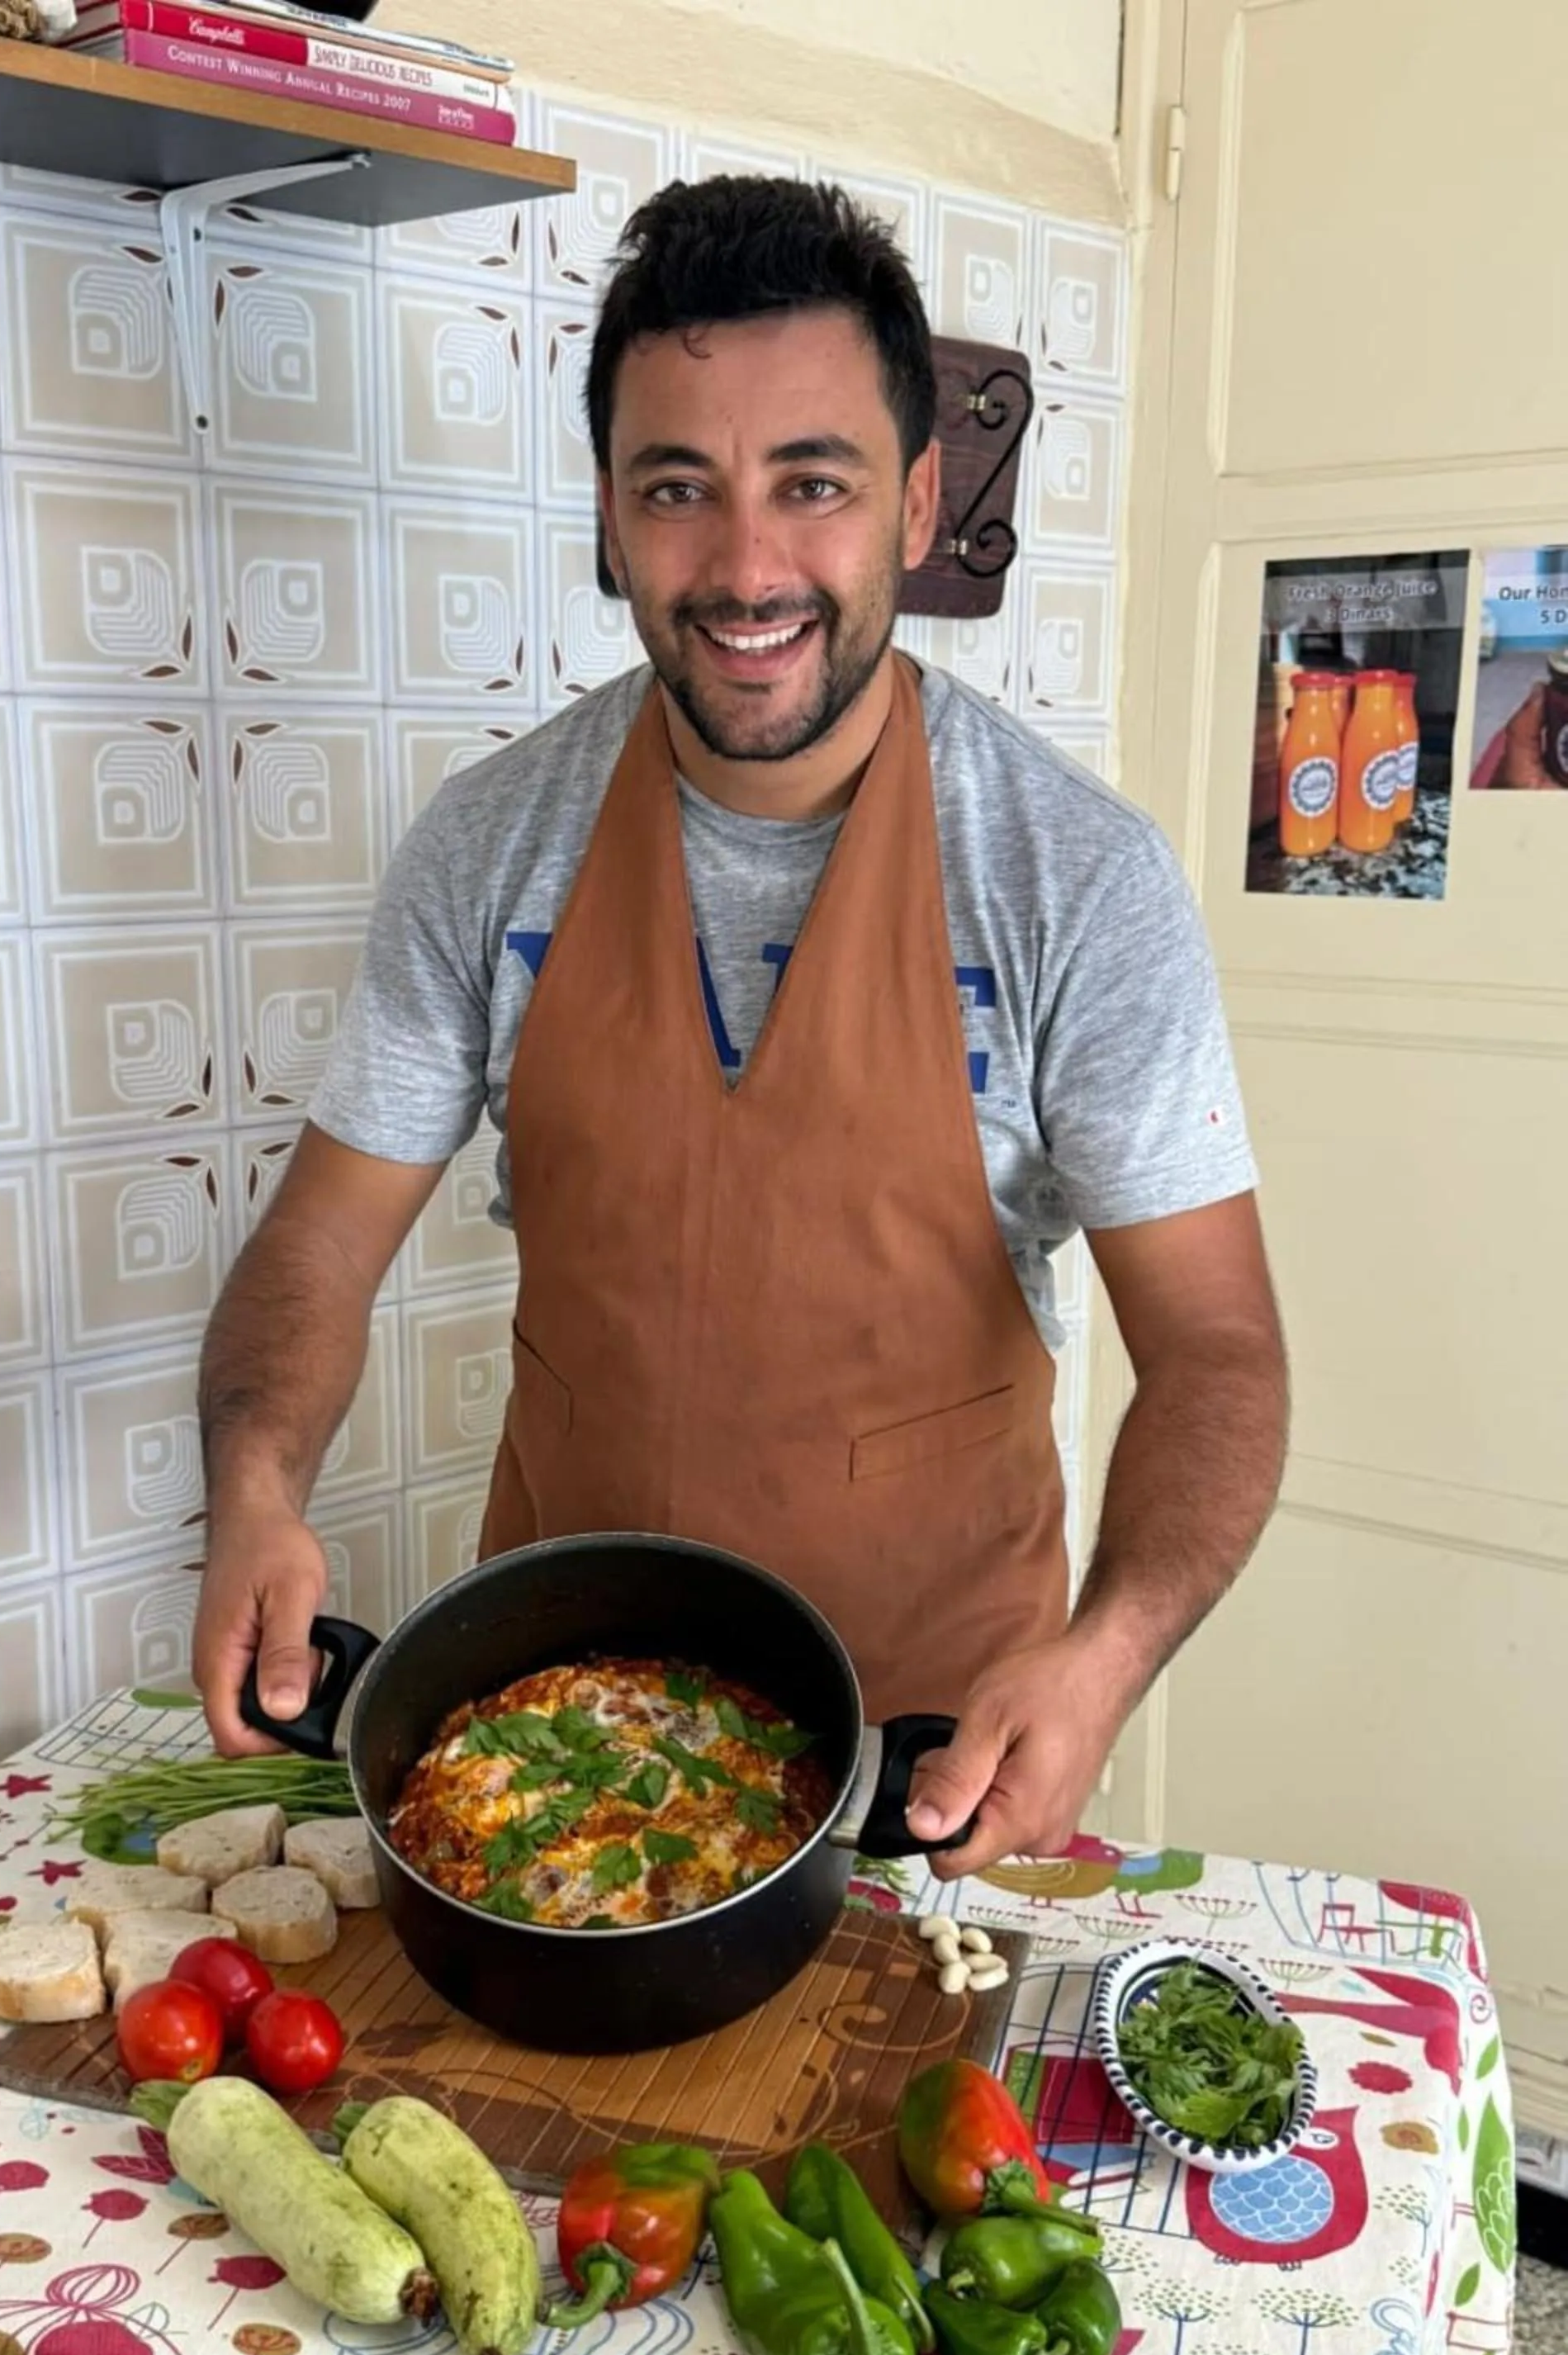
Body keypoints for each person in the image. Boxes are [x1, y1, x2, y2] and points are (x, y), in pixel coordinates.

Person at [192, 176, 1288, 1880]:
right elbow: (320, 1246)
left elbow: (1218, 1350)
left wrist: (1107, 1653)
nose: (749, 565)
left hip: (938, 1772)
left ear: (918, 503)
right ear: (613, 518)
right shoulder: (491, 847)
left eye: (815, 485)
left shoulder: (1077, 881)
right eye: (679, 490)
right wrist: (255, 1484)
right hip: (538, 1765)